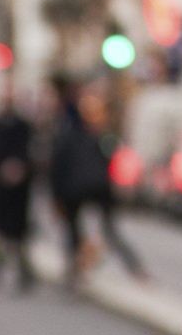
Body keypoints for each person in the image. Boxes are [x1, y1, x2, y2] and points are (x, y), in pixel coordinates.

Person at [46, 73, 147, 285]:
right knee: (91, 231)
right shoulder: (80, 134)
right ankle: (79, 270)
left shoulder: (86, 134)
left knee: (91, 232)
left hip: (84, 188)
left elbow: (58, 165)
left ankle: (79, 270)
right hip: (85, 188)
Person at [0, 87, 36, 290]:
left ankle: (22, 273)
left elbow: (29, 152)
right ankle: (2, 270)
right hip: (1, 188)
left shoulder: (22, 126)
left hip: (18, 189)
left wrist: (18, 168)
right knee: (1, 232)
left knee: (17, 234)